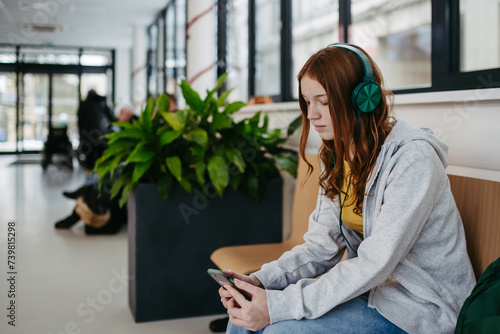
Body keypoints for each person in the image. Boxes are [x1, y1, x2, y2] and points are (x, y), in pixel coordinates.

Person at [218, 43, 476, 334]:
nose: (312, 114)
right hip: (371, 294)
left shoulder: (413, 160)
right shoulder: (338, 157)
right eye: (307, 102)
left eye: (324, 102)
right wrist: (262, 281)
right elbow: (321, 247)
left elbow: (374, 263)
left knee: (278, 330)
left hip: (420, 309)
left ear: (362, 99)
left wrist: (277, 307)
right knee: (242, 317)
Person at [76, 89, 115, 171]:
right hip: (103, 136)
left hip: (88, 137)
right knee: (102, 159)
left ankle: (91, 179)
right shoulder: (103, 102)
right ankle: (100, 179)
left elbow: (80, 121)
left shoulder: (84, 104)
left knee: (90, 162)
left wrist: (81, 136)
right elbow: (111, 118)